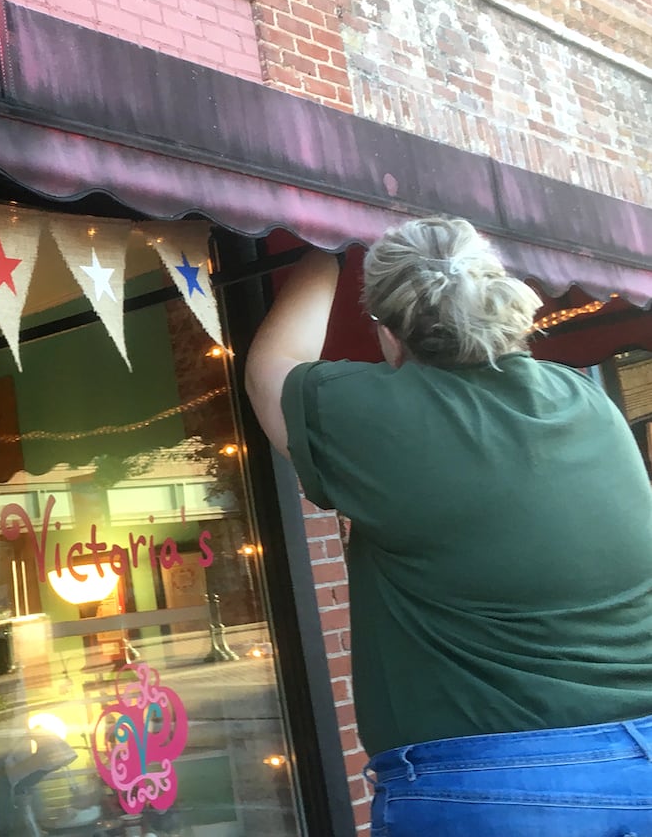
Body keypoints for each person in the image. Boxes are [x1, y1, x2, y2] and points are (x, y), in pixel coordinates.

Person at [243, 216, 652, 835]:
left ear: (387, 336)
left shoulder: (381, 415)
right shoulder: (587, 401)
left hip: (493, 787)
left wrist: (319, 244)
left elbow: (271, 364)